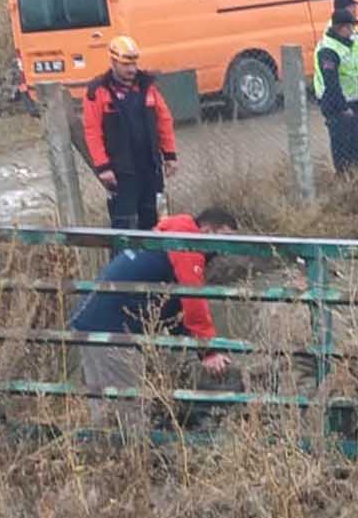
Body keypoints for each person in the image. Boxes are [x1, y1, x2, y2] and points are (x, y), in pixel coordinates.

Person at [68, 207, 237, 436]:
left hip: (94, 322)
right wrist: (208, 352)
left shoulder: (167, 237)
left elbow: (174, 304)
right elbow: (192, 299)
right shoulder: (186, 245)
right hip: (111, 331)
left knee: (108, 407)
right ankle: (130, 462)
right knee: (127, 413)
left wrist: (193, 345)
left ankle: (110, 456)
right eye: (224, 238)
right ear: (206, 229)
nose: (224, 249)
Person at [81, 36, 177, 232]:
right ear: (113, 62)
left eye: (133, 63)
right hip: (120, 171)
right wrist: (103, 167)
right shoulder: (97, 91)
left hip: (150, 166)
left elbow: (164, 120)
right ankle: (122, 261)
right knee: (123, 224)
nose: (132, 69)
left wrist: (169, 155)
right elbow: (92, 131)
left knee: (156, 222)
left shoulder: (147, 87)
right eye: (126, 64)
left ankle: (152, 261)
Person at [314, 8, 358, 175]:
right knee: (341, 144)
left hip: (350, 99)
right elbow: (332, 83)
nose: (353, 31)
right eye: (350, 27)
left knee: (355, 140)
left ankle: (356, 171)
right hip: (336, 103)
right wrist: (343, 107)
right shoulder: (329, 50)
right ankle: (344, 176)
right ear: (341, 28)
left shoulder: (344, 43)